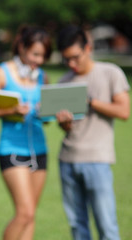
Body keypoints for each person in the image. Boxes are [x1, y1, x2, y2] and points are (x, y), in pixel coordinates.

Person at [56, 25, 130, 240]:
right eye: (66, 59)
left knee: (107, 226)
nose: (71, 64)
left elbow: (124, 111)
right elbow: (66, 128)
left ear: (88, 48)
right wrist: (65, 123)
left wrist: (90, 101)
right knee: (78, 227)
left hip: (98, 160)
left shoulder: (110, 73)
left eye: (75, 57)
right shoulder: (64, 81)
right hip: (67, 159)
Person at [0, 25, 52, 240]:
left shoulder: (43, 77)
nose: (38, 60)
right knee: (24, 213)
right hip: (11, 150)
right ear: (21, 47)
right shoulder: (2, 72)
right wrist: (12, 109)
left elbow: (47, 120)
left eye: (43, 56)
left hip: (40, 150)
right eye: (35, 54)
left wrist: (48, 114)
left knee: (31, 216)